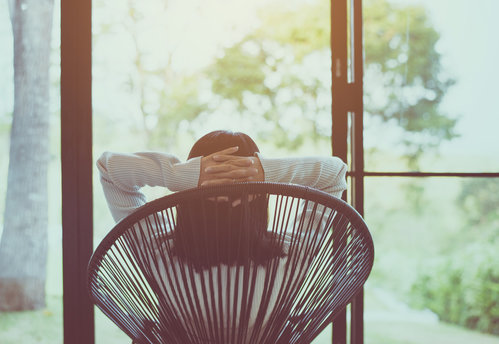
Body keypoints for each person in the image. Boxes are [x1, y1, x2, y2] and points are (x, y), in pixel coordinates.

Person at [96, 130, 347, 343]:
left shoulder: (156, 248)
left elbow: (111, 169)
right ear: (259, 196)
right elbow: (334, 174)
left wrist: (185, 175)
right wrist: (262, 172)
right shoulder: (293, 252)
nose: (227, 195)